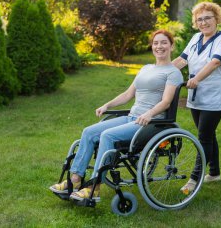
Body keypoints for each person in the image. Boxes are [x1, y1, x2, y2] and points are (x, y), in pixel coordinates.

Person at [50, 29, 183, 202]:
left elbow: (166, 102)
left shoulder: (173, 72)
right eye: (156, 43)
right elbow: (128, 94)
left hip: (151, 123)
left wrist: (149, 113)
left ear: (171, 46)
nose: (159, 46)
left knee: (108, 136)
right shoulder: (146, 68)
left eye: (164, 42)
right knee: (89, 132)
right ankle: (75, 179)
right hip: (132, 118)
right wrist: (107, 105)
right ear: (152, 46)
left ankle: (94, 186)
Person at [172, 2, 221, 192]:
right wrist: (159, 72)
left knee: (203, 137)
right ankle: (214, 173)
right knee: (208, 134)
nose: (203, 22)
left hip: (214, 97)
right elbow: (182, 60)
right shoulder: (196, 38)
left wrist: (196, 78)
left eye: (208, 18)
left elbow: (215, 62)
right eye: (200, 19)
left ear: (216, 19)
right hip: (196, 97)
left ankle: (194, 179)